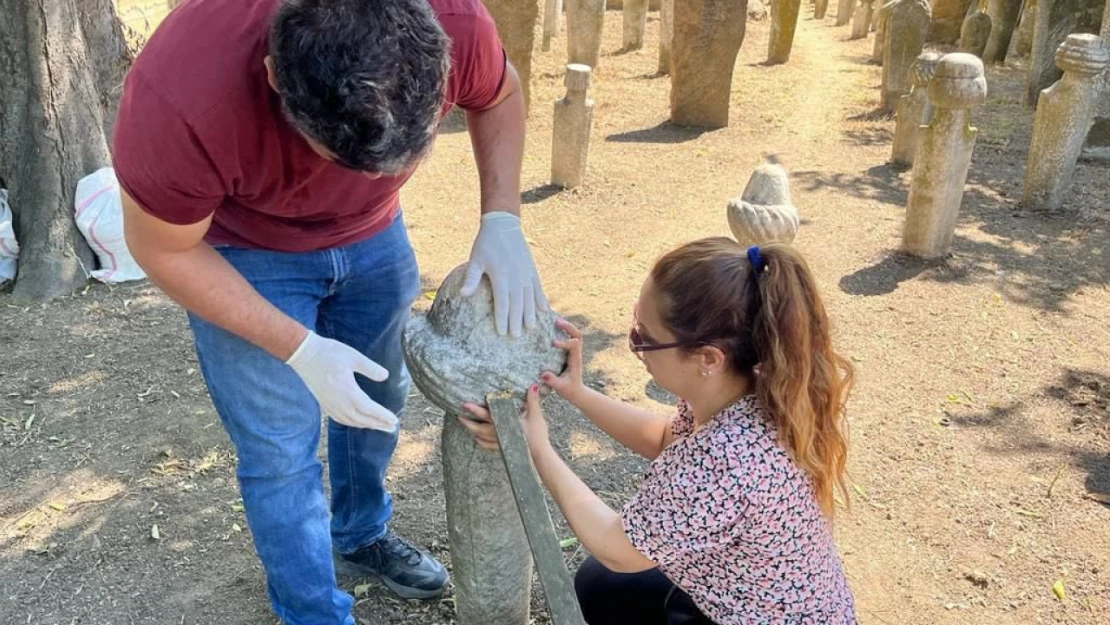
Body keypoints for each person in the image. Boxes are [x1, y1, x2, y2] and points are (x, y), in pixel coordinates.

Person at [112, 0, 547, 623]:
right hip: (243, 252)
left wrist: (502, 218)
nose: (369, 176)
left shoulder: (455, 20)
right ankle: (311, 611)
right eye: (342, 160)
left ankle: (361, 534)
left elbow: (499, 93)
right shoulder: (182, 93)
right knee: (279, 453)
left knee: (380, 401)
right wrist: (299, 347)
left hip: (375, 238)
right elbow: (162, 248)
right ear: (274, 77)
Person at [461, 238, 859, 624]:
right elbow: (665, 437)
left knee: (609, 574)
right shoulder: (746, 388)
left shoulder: (723, 461)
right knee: (602, 586)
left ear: (708, 357)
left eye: (644, 338)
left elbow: (618, 547)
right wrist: (578, 394)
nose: (635, 347)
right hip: (745, 596)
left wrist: (538, 449)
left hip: (749, 613)